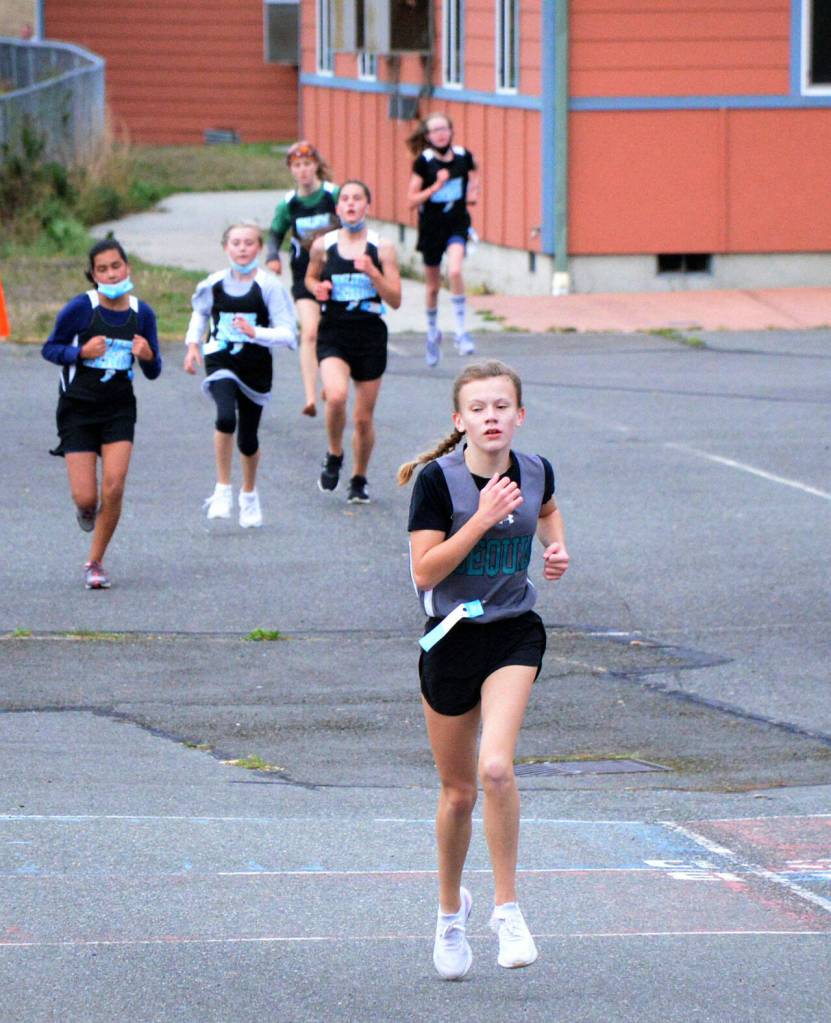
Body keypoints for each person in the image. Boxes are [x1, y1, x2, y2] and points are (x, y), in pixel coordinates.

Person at [398, 360, 570, 979]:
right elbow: (425, 572)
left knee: (496, 767)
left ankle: (507, 909)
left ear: (519, 416)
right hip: (450, 638)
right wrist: (481, 516)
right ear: (459, 420)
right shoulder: (437, 483)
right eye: (479, 408)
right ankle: (450, 912)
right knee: (458, 793)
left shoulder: (535, 468)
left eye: (502, 406)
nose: (491, 417)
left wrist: (555, 547)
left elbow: (546, 510)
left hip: (513, 632)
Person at [42, 238, 162, 589]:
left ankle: (95, 562)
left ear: (127, 268)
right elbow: (50, 349)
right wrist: (79, 353)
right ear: (93, 275)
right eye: (103, 269)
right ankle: (85, 509)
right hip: (77, 409)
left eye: (116, 266)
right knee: (87, 498)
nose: (111, 274)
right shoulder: (81, 308)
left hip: (119, 410)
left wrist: (148, 356)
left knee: (114, 486)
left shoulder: (143, 313)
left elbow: (154, 371)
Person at [184, 221, 296, 528]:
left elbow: (288, 334)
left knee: (247, 439)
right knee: (225, 418)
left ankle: (249, 493)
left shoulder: (269, 286)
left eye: (249, 243)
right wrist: (193, 345)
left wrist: (255, 332)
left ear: (259, 248)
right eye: (236, 243)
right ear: (225, 248)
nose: (242, 248)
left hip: (256, 366)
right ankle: (222, 488)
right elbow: (200, 314)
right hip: (220, 357)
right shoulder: (213, 284)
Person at [305, 180, 401, 504]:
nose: (350, 204)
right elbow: (310, 277)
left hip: (370, 334)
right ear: (337, 208)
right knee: (335, 396)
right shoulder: (323, 245)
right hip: (334, 330)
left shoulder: (382, 247)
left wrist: (374, 273)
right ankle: (334, 453)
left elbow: (396, 298)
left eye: (357, 198)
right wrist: (317, 288)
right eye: (344, 199)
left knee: (362, 418)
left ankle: (359, 477)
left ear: (367, 206)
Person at [266, 141, 339, 417]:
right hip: (304, 274)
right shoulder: (289, 203)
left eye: (307, 164)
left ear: (316, 165)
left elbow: (353, 220)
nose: (303, 170)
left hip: (335, 274)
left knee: (329, 330)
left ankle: (330, 380)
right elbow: (274, 234)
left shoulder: (333, 195)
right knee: (309, 332)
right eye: (297, 166)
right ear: (291, 170)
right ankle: (310, 396)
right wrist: (272, 256)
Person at [406, 113, 480, 368]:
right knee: (433, 287)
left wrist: (472, 192)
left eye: (444, 128)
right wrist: (434, 189)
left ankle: (460, 332)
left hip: (457, 223)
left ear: (451, 130)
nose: (440, 134)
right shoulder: (424, 163)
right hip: (431, 228)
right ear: (427, 136)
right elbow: (411, 200)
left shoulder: (463, 156)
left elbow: (474, 174)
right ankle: (432, 332)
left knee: (456, 270)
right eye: (435, 130)